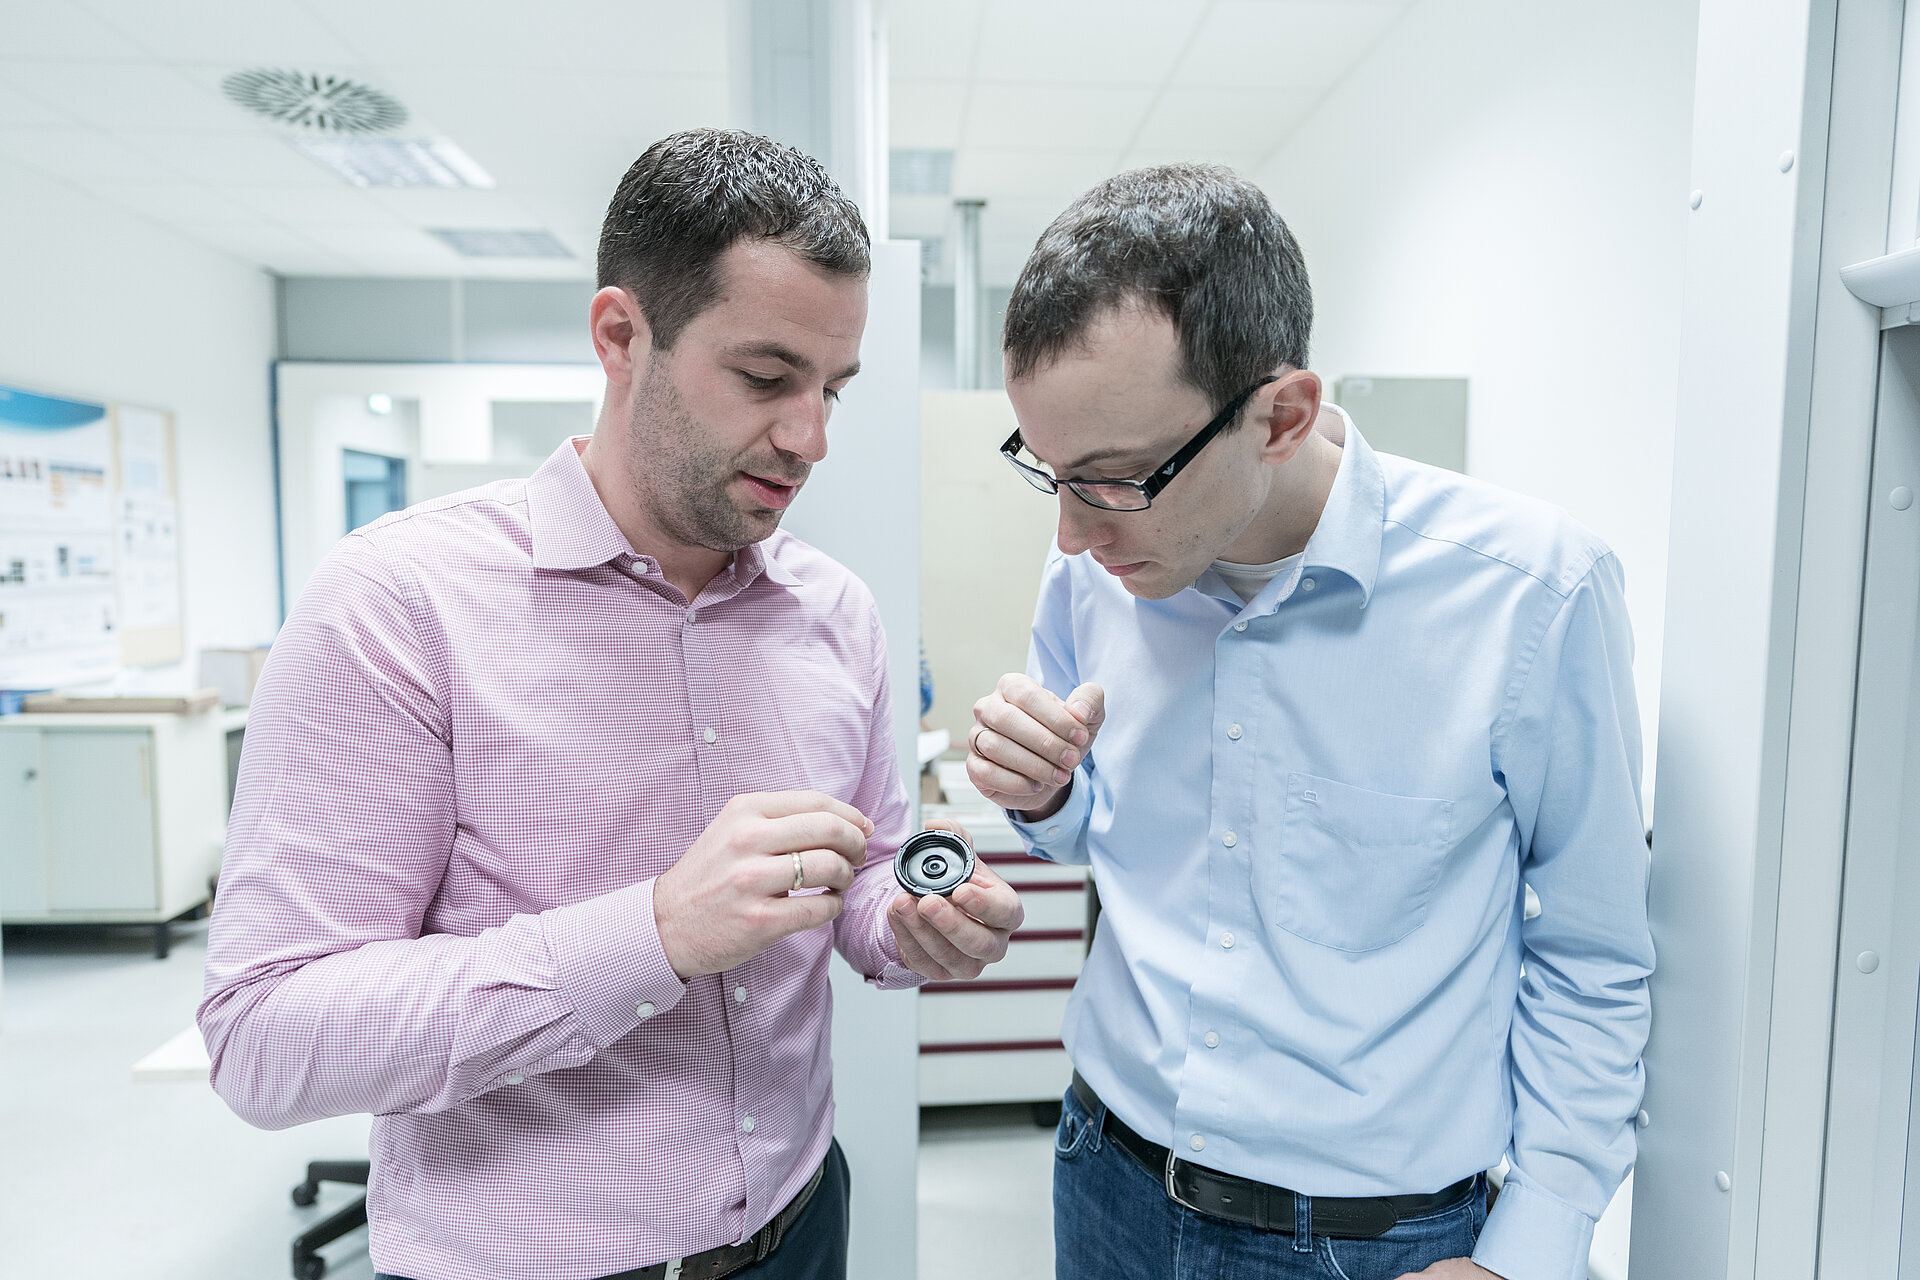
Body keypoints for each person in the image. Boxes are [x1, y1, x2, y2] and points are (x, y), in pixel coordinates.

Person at [200, 128, 1023, 1280]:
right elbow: (266, 1035)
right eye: (766, 376)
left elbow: (869, 866)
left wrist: (908, 917)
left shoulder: (836, 612)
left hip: (800, 1224)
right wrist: (651, 933)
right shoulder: (397, 605)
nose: (811, 438)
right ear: (622, 334)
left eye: (833, 388)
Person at [965, 164, 1652, 1280]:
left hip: (1371, 1240)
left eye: (1114, 479)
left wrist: (1535, 1242)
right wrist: (1045, 790)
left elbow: (1597, 954)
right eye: (1050, 474)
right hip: (1105, 1173)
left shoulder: (1531, 595)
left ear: (1280, 414)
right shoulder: (1099, 567)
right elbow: (1098, 831)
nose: (1073, 535)